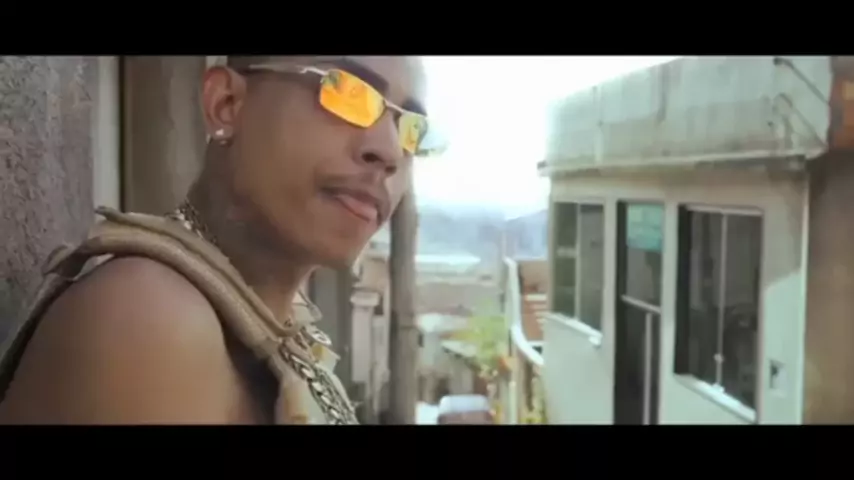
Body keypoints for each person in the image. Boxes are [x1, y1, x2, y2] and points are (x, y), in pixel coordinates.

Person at [0, 56, 442, 424]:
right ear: (226, 104)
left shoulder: (282, 329)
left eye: (411, 130)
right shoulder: (152, 319)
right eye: (348, 92)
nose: (390, 152)